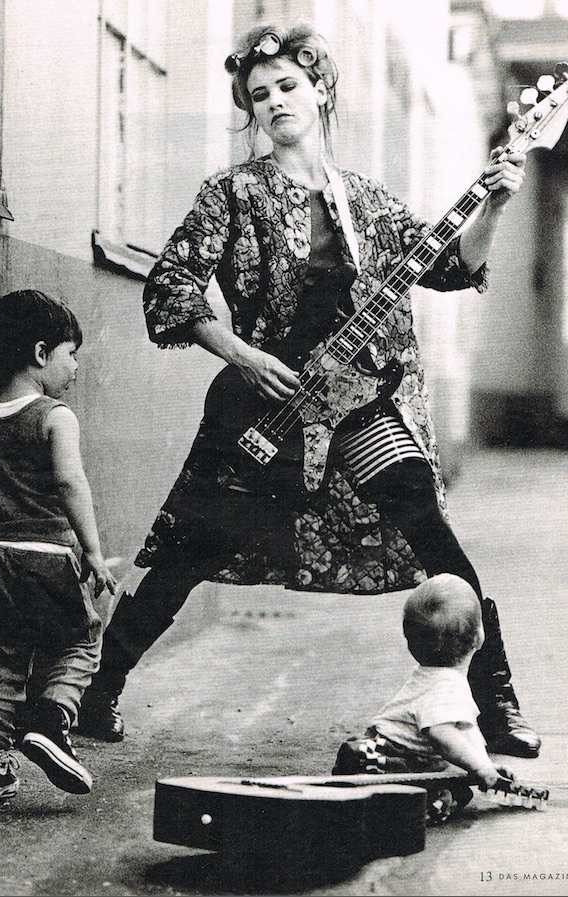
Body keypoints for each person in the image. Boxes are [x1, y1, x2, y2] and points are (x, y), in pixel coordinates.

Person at [78, 23, 540, 760]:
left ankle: (497, 702)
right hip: (269, 409)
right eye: (259, 95)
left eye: (288, 86)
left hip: (361, 407)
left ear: (320, 90)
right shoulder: (234, 193)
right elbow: (170, 286)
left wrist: (497, 204)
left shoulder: (369, 202)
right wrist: (241, 355)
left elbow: (452, 266)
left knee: (433, 532)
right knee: (194, 546)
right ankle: (99, 689)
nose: (274, 102)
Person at [0, 290, 117, 803]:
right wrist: (92, 551)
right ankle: (51, 720)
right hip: (46, 553)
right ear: (39, 354)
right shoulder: (56, 415)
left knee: (1, 658)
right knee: (82, 639)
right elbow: (72, 484)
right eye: (70, 354)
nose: (74, 366)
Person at [332, 573, 517, 821]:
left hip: (373, 751)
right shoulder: (447, 686)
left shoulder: (433, 676)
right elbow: (442, 734)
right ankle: (387, 812)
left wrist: (486, 765)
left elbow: (467, 731)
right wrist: (480, 768)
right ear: (479, 638)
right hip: (389, 759)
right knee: (450, 794)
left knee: (455, 783)